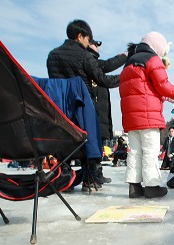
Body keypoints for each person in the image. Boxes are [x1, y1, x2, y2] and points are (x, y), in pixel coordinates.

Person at [47, 19, 119, 190]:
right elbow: (103, 79)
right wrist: (125, 77)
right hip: (81, 106)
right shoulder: (85, 56)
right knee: (89, 139)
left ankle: (65, 179)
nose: (89, 43)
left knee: (66, 141)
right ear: (80, 36)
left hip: (60, 108)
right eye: (88, 39)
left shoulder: (52, 55)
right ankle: (89, 179)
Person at [119, 31, 174, 199]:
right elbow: (163, 85)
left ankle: (134, 187)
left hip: (131, 117)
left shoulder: (128, 63)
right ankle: (152, 186)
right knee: (150, 150)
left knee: (134, 151)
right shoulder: (152, 60)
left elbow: (143, 89)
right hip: (148, 115)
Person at [87, 41, 127, 150]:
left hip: (99, 118)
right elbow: (108, 65)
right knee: (93, 152)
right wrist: (125, 56)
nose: (97, 47)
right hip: (94, 119)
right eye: (94, 44)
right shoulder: (88, 61)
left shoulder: (92, 64)